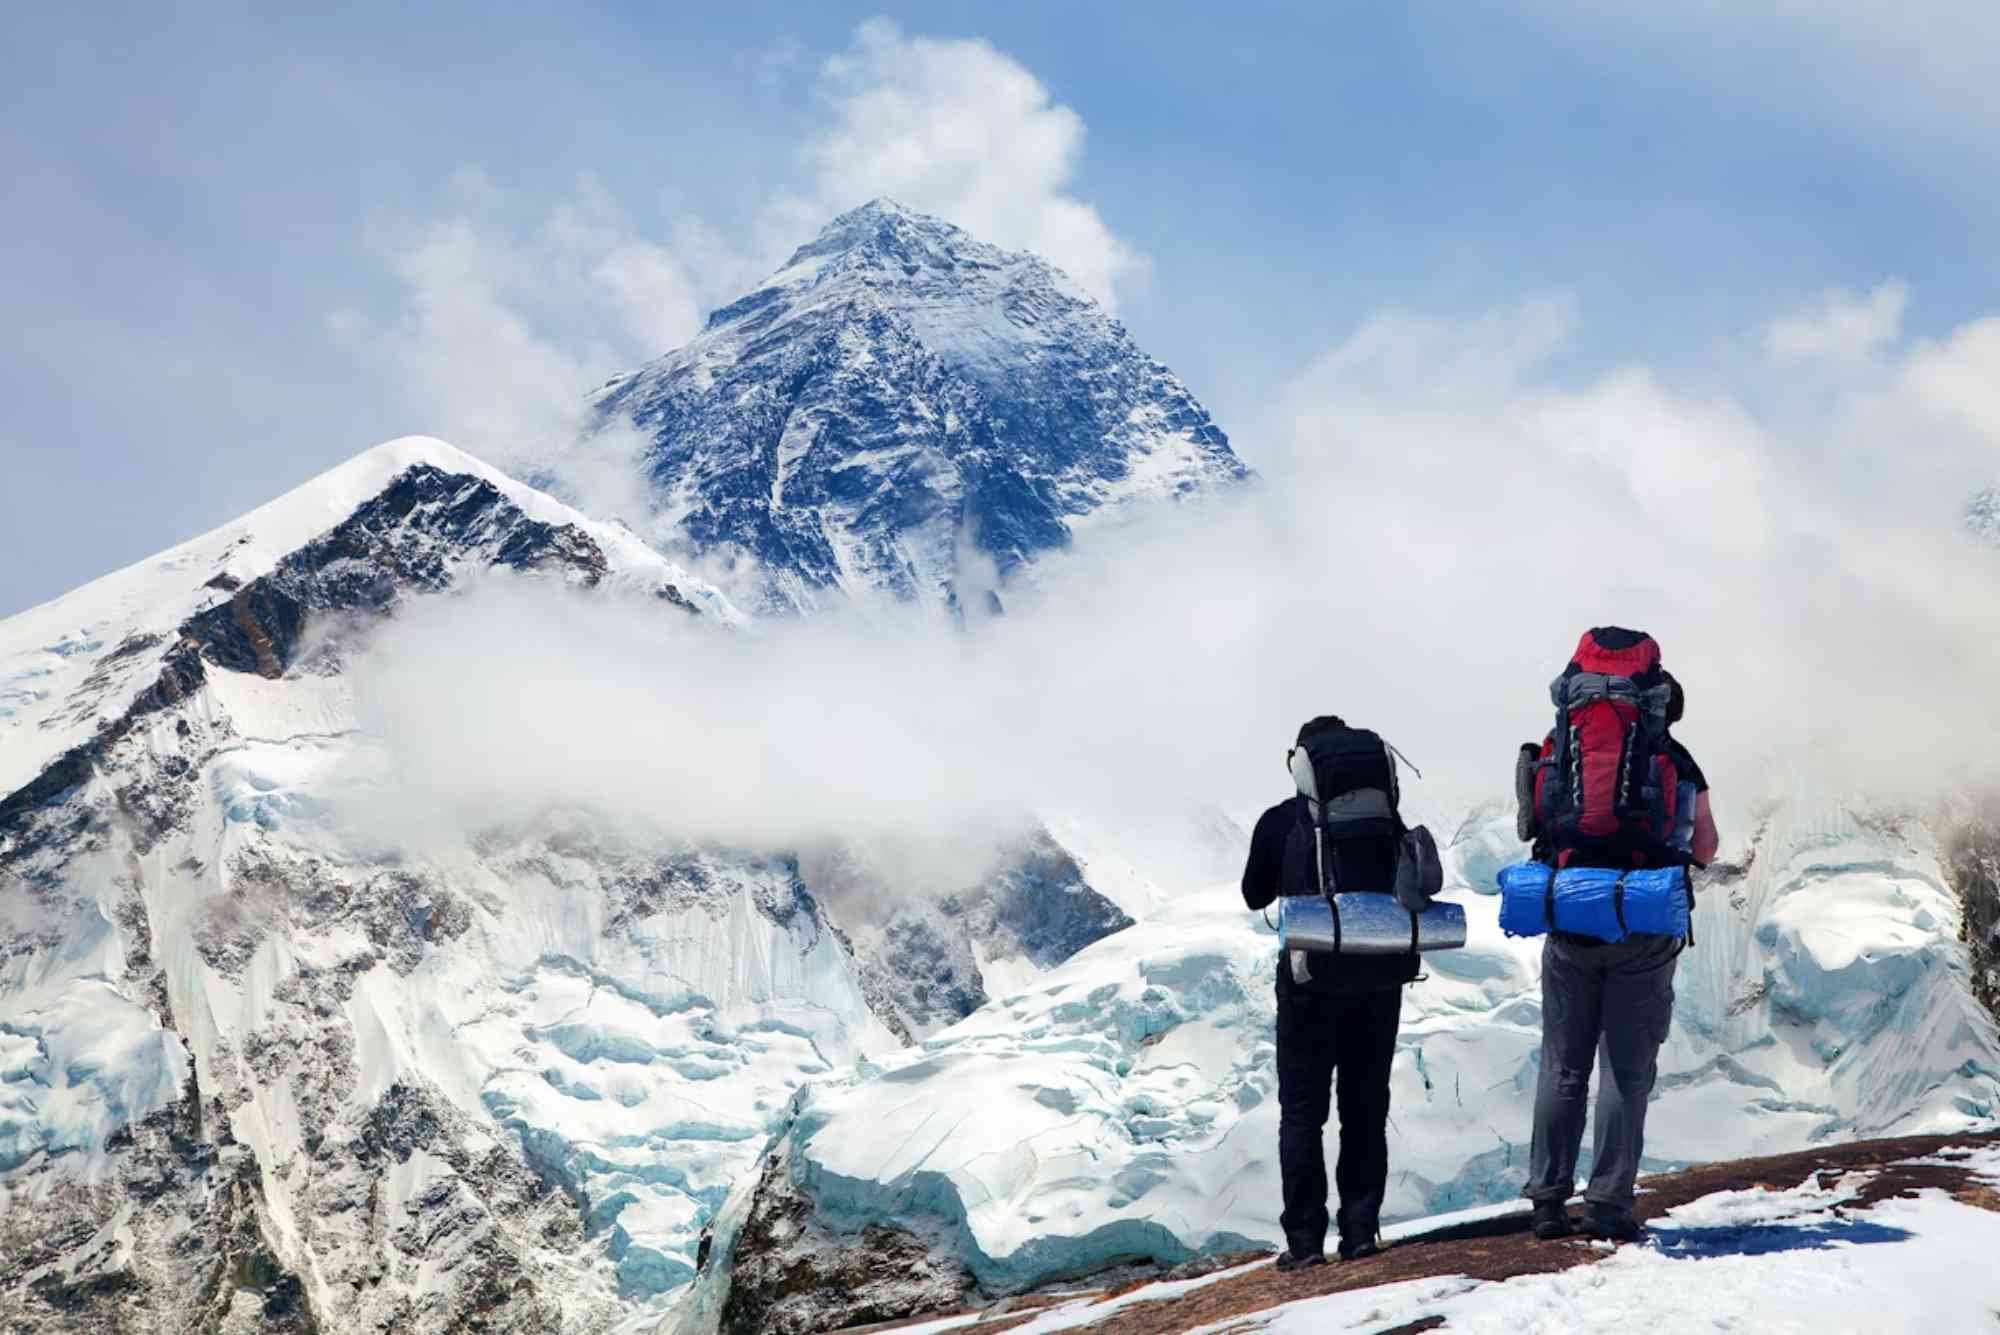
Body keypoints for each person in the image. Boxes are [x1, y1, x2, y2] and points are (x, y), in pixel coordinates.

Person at [1522, 632, 1719, 1244]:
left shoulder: (1555, 752)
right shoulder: (1677, 760)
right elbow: (1707, 847)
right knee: (1625, 1072)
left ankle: (1548, 1203)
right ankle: (1607, 1206)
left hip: (1571, 918)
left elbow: (1532, 825)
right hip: (1642, 922)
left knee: (1562, 1067)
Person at [1241, 715, 1418, 1270]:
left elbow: (1253, 894)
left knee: (1302, 1114)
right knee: (1365, 1106)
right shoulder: (1385, 819)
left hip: (1308, 981)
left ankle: (1304, 1244)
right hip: (1378, 979)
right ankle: (1361, 1231)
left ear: (1302, 764)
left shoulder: (1280, 821)